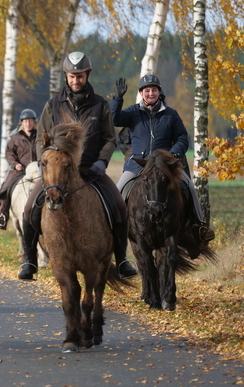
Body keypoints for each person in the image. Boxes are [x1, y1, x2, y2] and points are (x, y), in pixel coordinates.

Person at [18, 51, 138, 281]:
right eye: (72, 76)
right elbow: (40, 140)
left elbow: (110, 138)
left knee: (119, 206)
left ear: (87, 75)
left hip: (90, 171)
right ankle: (29, 260)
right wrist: (48, 164)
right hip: (57, 173)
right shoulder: (52, 105)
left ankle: (122, 259)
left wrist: (102, 162)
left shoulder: (100, 104)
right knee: (29, 209)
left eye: (80, 76)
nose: (76, 80)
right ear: (66, 76)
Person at [110, 74, 215, 244]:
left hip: (164, 165)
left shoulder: (171, 114)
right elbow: (114, 119)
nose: (150, 93)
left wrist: (173, 154)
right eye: (147, 90)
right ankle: (112, 231)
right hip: (137, 165)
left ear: (159, 92)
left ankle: (199, 227)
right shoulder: (133, 112)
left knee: (189, 186)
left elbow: (182, 137)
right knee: (118, 191)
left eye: (154, 90)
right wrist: (117, 98)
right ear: (141, 93)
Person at [0, 108, 38, 229]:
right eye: (25, 121)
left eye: (30, 121)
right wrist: (15, 164)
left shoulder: (40, 137)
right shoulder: (14, 138)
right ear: (21, 123)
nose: (28, 123)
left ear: (34, 122)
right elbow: (9, 153)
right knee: (5, 188)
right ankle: (1, 215)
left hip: (37, 170)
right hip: (20, 170)